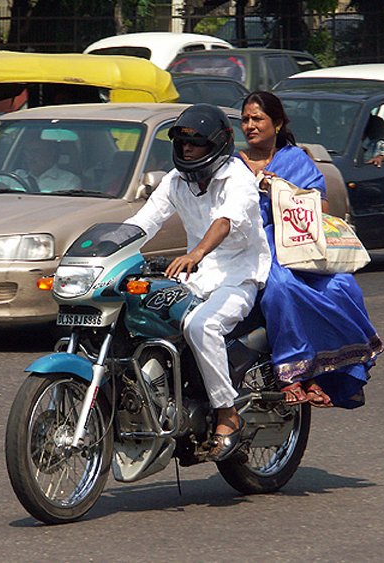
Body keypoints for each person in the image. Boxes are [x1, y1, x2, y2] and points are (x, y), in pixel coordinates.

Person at [125, 104, 271, 461]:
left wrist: (197, 253)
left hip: (239, 276)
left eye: (197, 143)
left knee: (201, 324)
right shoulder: (177, 180)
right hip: (198, 277)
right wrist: (103, 248)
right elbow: (144, 221)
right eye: (182, 142)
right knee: (144, 314)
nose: (188, 149)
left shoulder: (238, 179)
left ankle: (227, 413)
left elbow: (225, 221)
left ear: (217, 144)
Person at [237, 91, 383, 408]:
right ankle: (295, 375)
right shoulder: (235, 165)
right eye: (245, 119)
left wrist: (285, 190)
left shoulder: (295, 159)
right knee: (282, 288)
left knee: (343, 286)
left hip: (302, 244)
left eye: (257, 118)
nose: (249, 125)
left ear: (277, 123)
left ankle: (340, 371)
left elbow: (323, 207)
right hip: (260, 249)